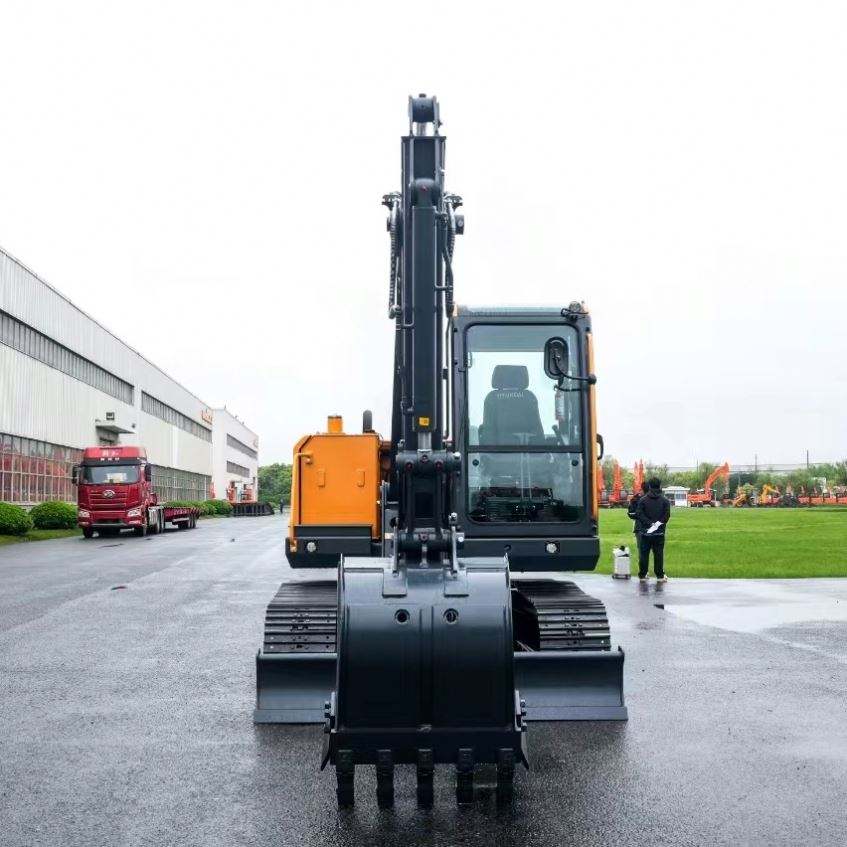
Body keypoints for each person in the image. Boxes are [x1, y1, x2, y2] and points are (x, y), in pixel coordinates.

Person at [635, 477, 671, 582]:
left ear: (649, 486)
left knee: (644, 555)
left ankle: (642, 574)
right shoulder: (665, 501)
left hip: (645, 533)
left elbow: (639, 514)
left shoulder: (643, 500)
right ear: (659, 486)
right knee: (658, 554)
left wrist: (649, 524)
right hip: (659, 533)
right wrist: (657, 525)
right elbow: (666, 516)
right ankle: (659, 575)